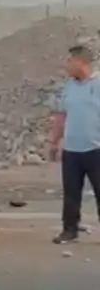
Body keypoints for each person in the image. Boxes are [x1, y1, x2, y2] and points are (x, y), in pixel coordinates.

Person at [47, 45, 100, 244]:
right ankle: (69, 230)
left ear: (81, 62)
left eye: (70, 61)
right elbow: (62, 115)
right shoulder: (69, 86)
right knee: (71, 193)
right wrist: (54, 142)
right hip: (72, 149)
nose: (66, 65)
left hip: (96, 149)